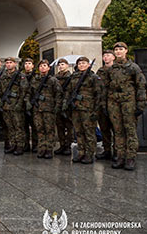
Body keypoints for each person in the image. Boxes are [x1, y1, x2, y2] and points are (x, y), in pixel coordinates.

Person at [105, 42, 146, 170]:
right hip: (114, 102)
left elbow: (141, 86)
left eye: (121, 49)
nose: (118, 52)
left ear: (126, 51)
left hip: (128, 102)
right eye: (116, 49)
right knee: (118, 131)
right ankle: (120, 156)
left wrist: (141, 104)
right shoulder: (111, 69)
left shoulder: (133, 67)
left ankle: (130, 157)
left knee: (130, 130)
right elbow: (106, 86)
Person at [62, 57, 101, 164]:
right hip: (75, 109)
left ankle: (89, 153)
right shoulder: (74, 77)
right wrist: (66, 103)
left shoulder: (93, 77)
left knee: (89, 132)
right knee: (78, 132)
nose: (81, 65)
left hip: (88, 109)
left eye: (84, 63)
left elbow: (98, 95)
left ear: (88, 65)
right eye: (79, 63)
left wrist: (96, 111)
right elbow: (68, 91)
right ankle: (81, 152)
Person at [27, 59, 62, 159]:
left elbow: (58, 94)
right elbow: (29, 92)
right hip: (37, 108)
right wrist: (29, 103)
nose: (42, 67)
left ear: (48, 68)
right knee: (39, 129)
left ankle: (49, 149)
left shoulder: (53, 80)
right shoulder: (35, 80)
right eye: (41, 66)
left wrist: (56, 107)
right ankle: (42, 148)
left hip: (49, 109)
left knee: (49, 130)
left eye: (45, 66)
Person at [0, 57, 27, 155]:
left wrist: (20, 104)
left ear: (15, 64)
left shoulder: (20, 76)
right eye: (7, 63)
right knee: (10, 127)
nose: (8, 64)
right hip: (6, 106)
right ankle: (13, 145)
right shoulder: (3, 76)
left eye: (10, 63)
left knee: (18, 127)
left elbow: (24, 91)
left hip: (16, 106)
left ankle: (20, 146)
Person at [95, 50, 115, 161]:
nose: (106, 57)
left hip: (114, 103)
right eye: (104, 56)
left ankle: (117, 151)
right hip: (102, 104)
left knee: (116, 129)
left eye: (108, 55)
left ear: (113, 57)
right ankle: (107, 150)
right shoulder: (100, 71)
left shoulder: (117, 69)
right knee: (104, 128)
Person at [54, 58, 74, 156]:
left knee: (68, 126)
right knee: (60, 126)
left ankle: (68, 146)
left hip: (67, 105)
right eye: (59, 65)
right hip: (58, 104)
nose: (61, 66)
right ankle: (62, 145)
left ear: (67, 65)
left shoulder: (70, 77)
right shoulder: (55, 78)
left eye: (63, 64)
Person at [22, 58, 38, 152]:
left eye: (29, 63)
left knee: (34, 125)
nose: (27, 65)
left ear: (33, 65)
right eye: (26, 63)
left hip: (33, 103)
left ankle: (35, 144)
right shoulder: (21, 76)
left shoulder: (37, 76)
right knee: (24, 125)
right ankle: (26, 144)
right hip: (23, 103)